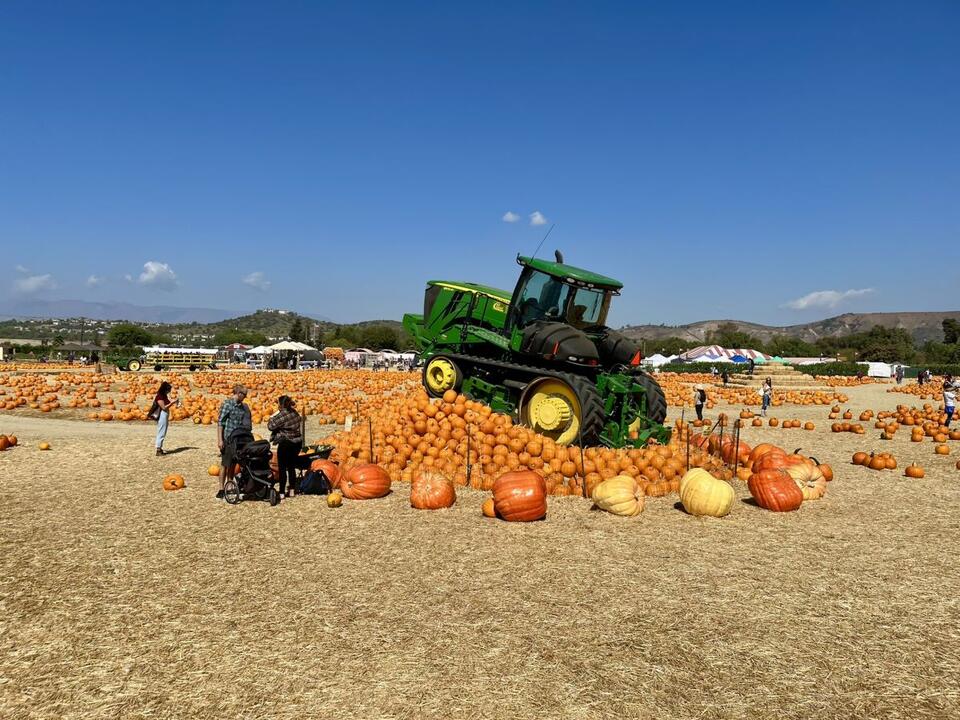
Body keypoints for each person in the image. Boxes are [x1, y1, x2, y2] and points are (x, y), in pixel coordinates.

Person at [217, 384, 252, 499]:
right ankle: (221, 488)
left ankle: (230, 484)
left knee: (233, 464)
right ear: (238, 393)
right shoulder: (227, 404)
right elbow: (220, 423)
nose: (246, 397)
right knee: (225, 464)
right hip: (228, 439)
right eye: (244, 394)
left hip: (238, 439)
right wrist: (220, 440)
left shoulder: (242, 407)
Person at [268, 395, 303, 497]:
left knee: (282, 468)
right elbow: (298, 421)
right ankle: (292, 490)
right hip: (297, 443)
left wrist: (272, 416)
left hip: (286, 443)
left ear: (281, 404)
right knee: (291, 466)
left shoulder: (281, 415)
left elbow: (270, 426)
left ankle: (282, 492)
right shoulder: (295, 412)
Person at [149, 381, 176, 456]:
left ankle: (159, 448)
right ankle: (158, 449)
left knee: (163, 431)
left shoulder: (164, 396)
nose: (169, 392)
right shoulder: (159, 397)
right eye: (168, 390)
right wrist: (172, 403)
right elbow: (163, 407)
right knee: (161, 431)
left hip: (165, 414)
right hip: (162, 415)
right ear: (164, 389)